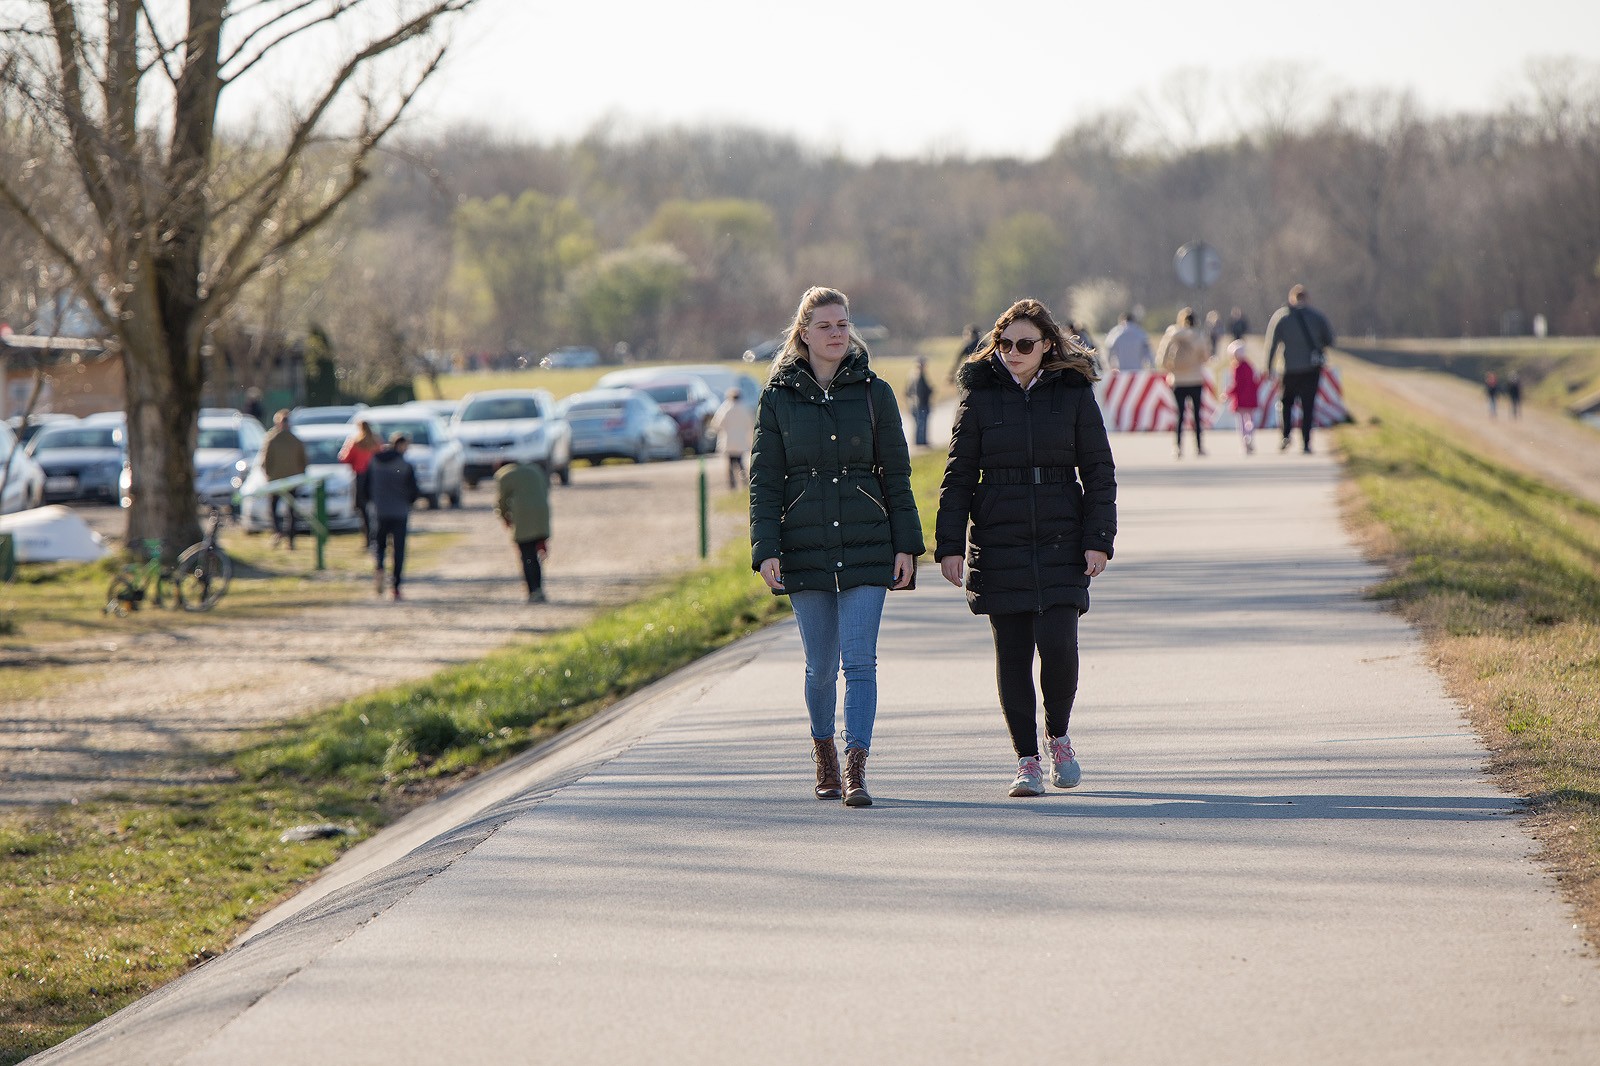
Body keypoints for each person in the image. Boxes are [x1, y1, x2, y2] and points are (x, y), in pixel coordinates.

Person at [935, 298, 1117, 798]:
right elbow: (957, 477)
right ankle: (1026, 760)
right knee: (1012, 653)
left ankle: (1057, 735)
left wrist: (1099, 539)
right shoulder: (979, 396)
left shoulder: (1075, 393)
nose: (1012, 352)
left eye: (1024, 344)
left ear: (1046, 347)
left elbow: (1099, 471)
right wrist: (949, 544)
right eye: (1005, 343)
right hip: (999, 539)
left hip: (1063, 536)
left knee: (1058, 646)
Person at [750, 286, 922, 808]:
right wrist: (766, 548)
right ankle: (822, 749)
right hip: (805, 546)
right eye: (825, 326)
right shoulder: (778, 397)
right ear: (803, 333)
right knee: (820, 666)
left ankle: (856, 766)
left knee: (860, 662)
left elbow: (897, 473)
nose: (836, 334)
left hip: (869, 543)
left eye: (843, 324)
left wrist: (908, 546)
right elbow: (765, 480)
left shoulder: (876, 392)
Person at [1263, 284, 1335, 454]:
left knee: (1286, 403)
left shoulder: (1282, 317)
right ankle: (1306, 442)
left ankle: (1286, 435)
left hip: (1289, 369)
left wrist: (1268, 367)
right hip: (1311, 369)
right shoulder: (1317, 317)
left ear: (1291, 298)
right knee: (1308, 406)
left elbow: (1272, 344)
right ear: (1307, 299)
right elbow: (1330, 340)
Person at [367, 431, 419, 600]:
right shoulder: (405, 465)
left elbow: (364, 486)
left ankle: (380, 567)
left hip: (380, 511)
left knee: (379, 544)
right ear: (402, 445)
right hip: (399, 512)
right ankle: (395, 587)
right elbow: (414, 493)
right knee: (398, 551)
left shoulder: (374, 461)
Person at [494, 457, 551, 603]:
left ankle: (533, 591)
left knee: (527, 556)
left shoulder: (504, 474)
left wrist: (504, 517)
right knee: (536, 554)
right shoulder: (535, 469)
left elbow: (501, 501)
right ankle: (539, 590)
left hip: (522, 518)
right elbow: (545, 490)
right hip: (541, 514)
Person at [1158, 307, 1213, 458]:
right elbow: (1206, 357)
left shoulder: (1172, 335)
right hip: (1195, 379)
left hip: (1178, 380)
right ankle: (1199, 447)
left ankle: (1178, 447)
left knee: (1180, 414)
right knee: (1196, 414)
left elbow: (1162, 357)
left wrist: (1170, 369)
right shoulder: (1199, 336)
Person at [256, 409, 307, 548]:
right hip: (284, 480)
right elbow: (304, 461)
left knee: (285, 510)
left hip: (280, 480)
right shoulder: (291, 439)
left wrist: (269, 474)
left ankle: (284, 536)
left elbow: (265, 461)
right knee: (285, 510)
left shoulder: (275, 439)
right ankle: (282, 535)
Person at [338, 419, 382, 547]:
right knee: (375, 507)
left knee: (362, 508)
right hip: (374, 476)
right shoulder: (376, 442)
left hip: (361, 477)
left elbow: (344, 458)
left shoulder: (355, 442)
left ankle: (367, 536)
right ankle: (376, 535)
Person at [709, 387, 755, 488]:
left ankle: (732, 485)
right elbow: (751, 424)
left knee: (730, 465)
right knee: (740, 463)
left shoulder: (725, 408)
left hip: (728, 441)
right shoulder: (745, 408)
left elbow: (717, 424)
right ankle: (744, 483)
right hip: (741, 441)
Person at [1226, 338, 1261, 454]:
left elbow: (1236, 384)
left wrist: (1227, 393)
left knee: (1241, 422)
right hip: (1251, 398)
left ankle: (1244, 440)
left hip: (1240, 399)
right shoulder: (1250, 367)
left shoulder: (1237, 368)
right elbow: (1256, 382)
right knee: (1251, 420)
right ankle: (1249, 436)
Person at [906, 357, 935, 447]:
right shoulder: (919, 376)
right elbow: (921, 391)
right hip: (920, 404)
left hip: (915, 404)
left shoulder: (912, 376)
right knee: (921, 424)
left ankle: (920, 441)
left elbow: (907, 391)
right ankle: (920, 443)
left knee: (920, 424)